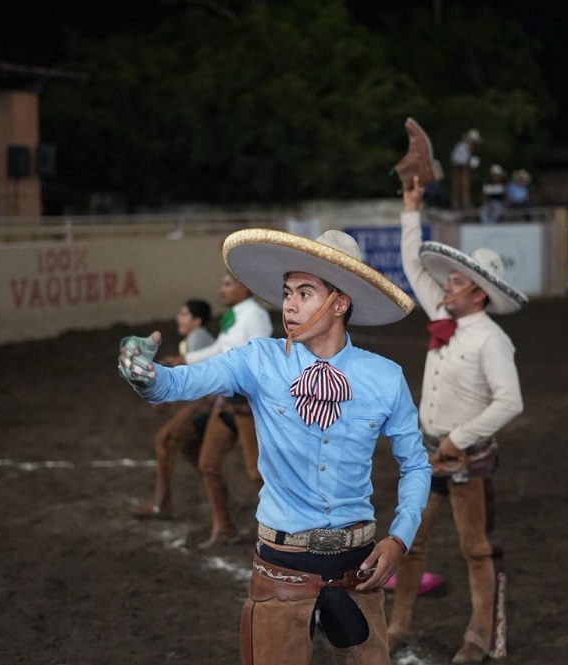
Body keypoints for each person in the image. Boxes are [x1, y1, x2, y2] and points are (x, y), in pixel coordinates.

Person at [118, 228, 431, 664]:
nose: (289, 304)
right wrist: (146, 375)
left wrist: (400, 538)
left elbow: (416, 464)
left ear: (340, 303)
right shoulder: (257, 360)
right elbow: (181, 382)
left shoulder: (384, 377)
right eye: (287, 292)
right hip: (280, 568)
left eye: (306, 292)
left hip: (359, 570)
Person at [389, 176, 527, 663]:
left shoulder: (491, 340)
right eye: (448, 280)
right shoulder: (445, 316)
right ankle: (400, 623)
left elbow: (511, 402)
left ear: (478, 294)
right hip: (427, 453)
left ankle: (478, 636)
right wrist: (411, 207)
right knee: (411, 541)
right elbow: (411, 264)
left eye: (456, 281)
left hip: (465, 456)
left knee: (476, 549)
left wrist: (461, 438)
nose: (446, 284)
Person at [161, 272, 273, 548]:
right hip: (231, 402)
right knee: (209, 463)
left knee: (257, 472)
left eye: (227, 284)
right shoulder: (235, 316)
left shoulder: (255, 316)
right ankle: (224, 527)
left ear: (244, 287)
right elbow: (221, 350)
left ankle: (278, 532)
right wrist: (185, 359)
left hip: (247, 404)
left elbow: (255, 357)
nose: (221, 290)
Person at [131, 298, 216, 519]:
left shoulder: (197, 340)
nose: (179, 318)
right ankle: (223, 498)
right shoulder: (197, 339)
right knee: (191, 449)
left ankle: (161, 504)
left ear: (197, 320)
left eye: (184, 314)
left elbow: (201, 381)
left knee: (164, 440)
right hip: (212, 402)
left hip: (209, 403)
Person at [449, 129, 482, 210]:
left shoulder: (466, 147)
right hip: (459, 168)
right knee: (459, 187)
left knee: (464, 187)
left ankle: (464, 204)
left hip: (463, 168)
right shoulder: (462, 146)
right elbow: (456, 158)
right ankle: (458, 204)